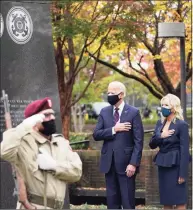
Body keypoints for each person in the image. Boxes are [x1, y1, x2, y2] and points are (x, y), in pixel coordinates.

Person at [1, 97, 82, 209]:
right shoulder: (23, 142)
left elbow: (77, 172)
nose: (52, 118)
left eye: (52, 114)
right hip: (33, 206)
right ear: (34, 120)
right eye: (46, 115)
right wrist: (23, 127)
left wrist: (54, 166)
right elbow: (4, 151)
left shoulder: (61, 142)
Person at [93, 81, 144, 209]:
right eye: (108, 92)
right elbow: (96, 134)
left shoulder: (133, 112)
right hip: (109, 165)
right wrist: (114, 129)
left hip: (127, 165)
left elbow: (139, 141)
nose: (109, 95)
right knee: (112, 203)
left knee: (128, 202)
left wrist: (133, 163)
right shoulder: (104, 112)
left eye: (112, 93)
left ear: (121, 95)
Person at [149, 94, 190, 209]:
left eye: (166, 105)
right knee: (166, 200)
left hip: (176, 166)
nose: (163, 107)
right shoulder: (159, 124)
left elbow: (184, 150)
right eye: (162, 105)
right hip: (163, 165)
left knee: (179, 200)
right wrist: (161, 135)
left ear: (174, 107)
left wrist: (182, 173)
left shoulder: (181, 125)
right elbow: (152, 144)